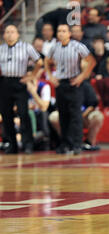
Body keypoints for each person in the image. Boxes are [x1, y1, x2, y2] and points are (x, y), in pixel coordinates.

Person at [45, 24, 96, 155]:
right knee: (63, 115)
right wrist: (50, 76)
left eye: (64, 31)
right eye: (59, 31)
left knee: (76, 116)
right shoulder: (54, 47)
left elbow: (91, 61)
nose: (61, 33)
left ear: (69, 33)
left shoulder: (77, 46)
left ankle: (77, 144)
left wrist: (82, 77)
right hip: (60, 83)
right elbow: (46, 61)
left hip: (74, 83)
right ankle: (65, 144)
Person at [0, 24, 43, 154]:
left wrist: (32, 76)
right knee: (6, 115)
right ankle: (11, 144)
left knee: (24, 113)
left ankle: (28, 143)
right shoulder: (1, 48)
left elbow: (39, 62)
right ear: (3, 35)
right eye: (7, 32)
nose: (10, 34)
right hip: (4, 82)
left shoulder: (26, 47)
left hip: (19, 82)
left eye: (12, 32)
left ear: (18, 34)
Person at [25, 66, 52, 151]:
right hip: (27, 119)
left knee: (42, 113)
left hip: (42, 119)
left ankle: (42, 139)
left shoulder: (44, 86)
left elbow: (44, 107)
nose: (29, 80)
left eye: (31, 77)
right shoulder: (22, 88)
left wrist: (33, 93)